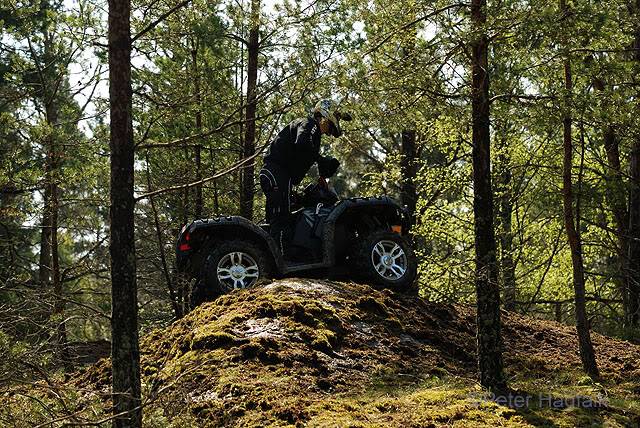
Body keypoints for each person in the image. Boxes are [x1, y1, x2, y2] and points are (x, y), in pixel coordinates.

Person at [259, 99, 347, 256]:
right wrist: (322, 160)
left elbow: (305, 153)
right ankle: (283, 257)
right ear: (327, 114)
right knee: (281, 216)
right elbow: (302, 143)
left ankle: (266, 256)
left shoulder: (315, 135)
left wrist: (322, 173)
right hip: (276, 172)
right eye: (337, 118)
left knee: (273, 217)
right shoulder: (309, 124)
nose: (336, 123)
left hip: (276, 174)